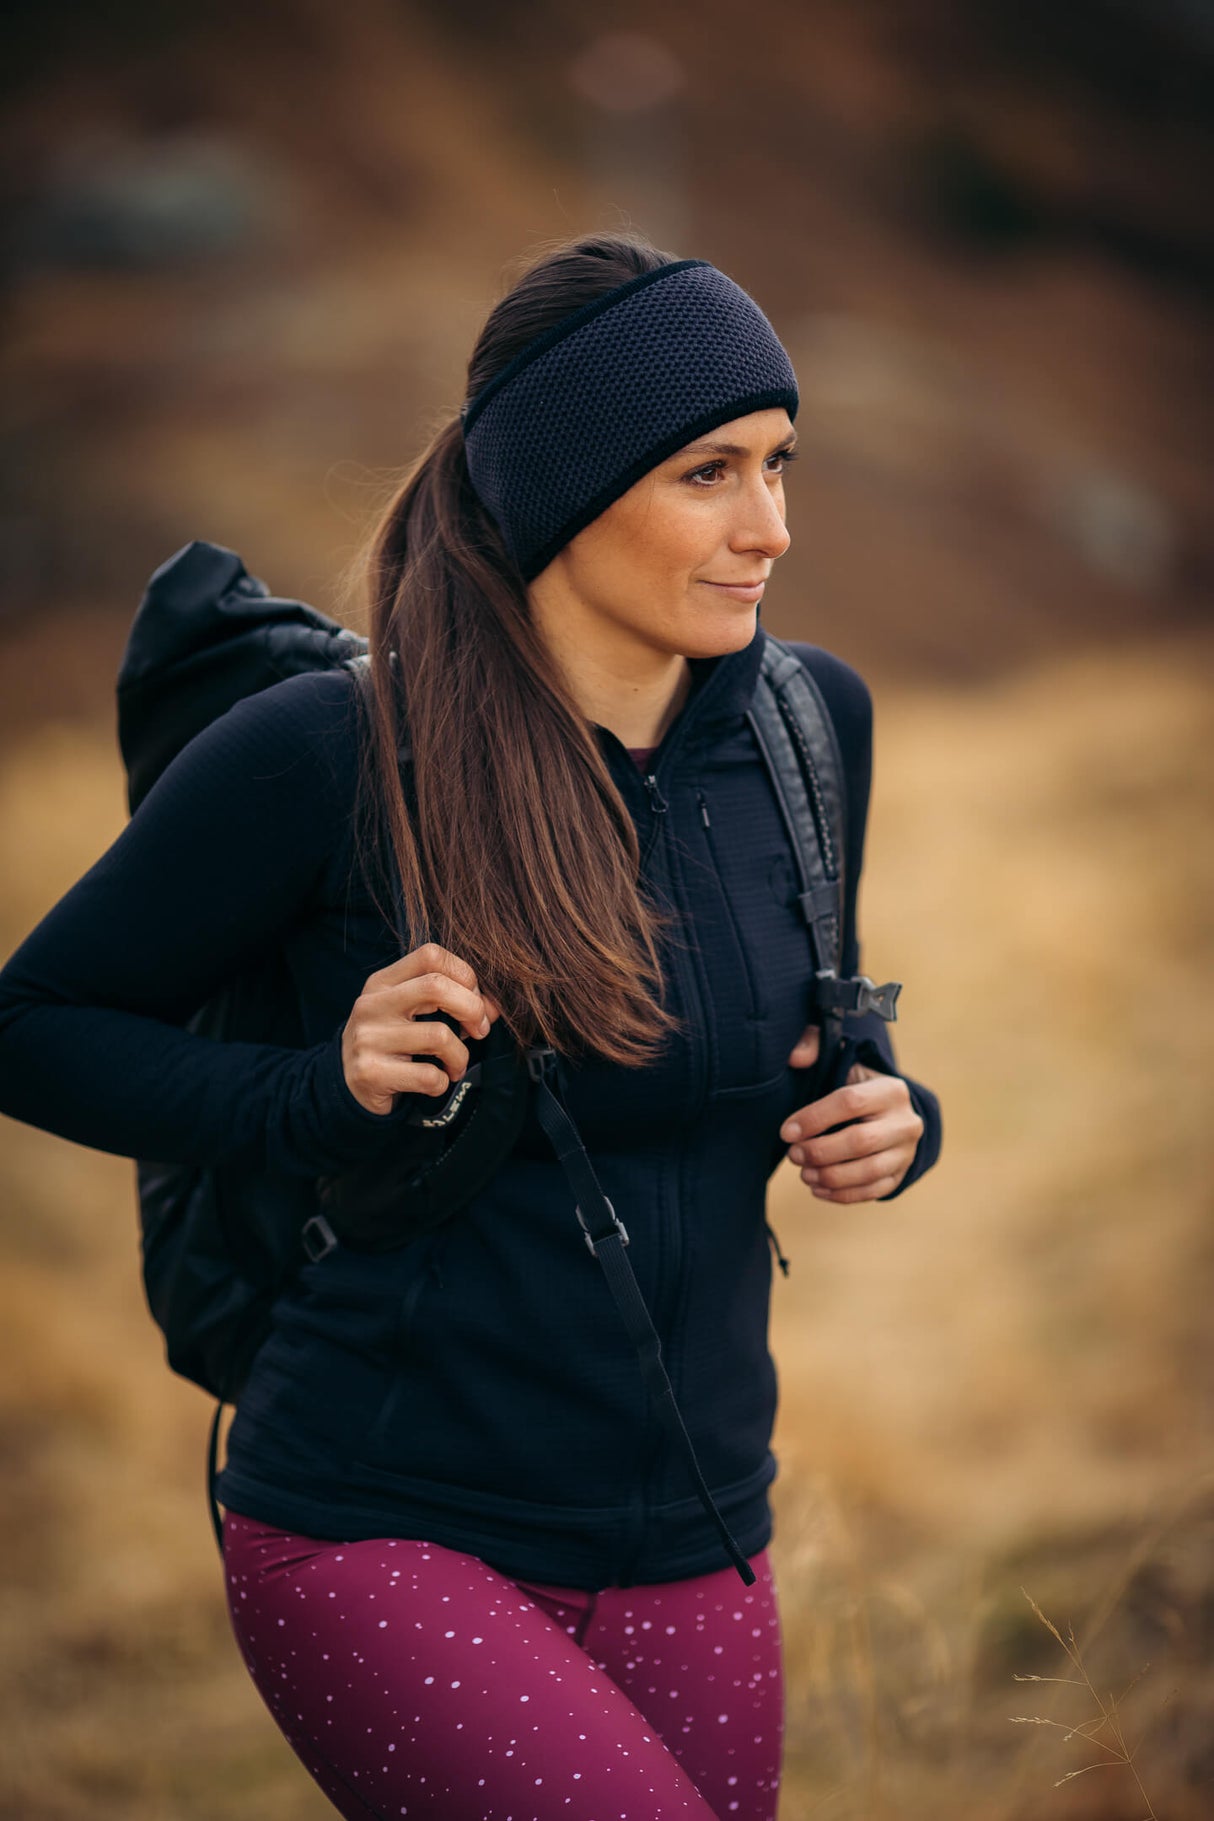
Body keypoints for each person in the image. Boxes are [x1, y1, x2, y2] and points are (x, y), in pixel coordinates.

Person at [0, 233, 940, 1821]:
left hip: (703, 1529)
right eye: (707, 472)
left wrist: (891, 1114)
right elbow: (36, 1022)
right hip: (385, 1522)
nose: (769, 526)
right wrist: (317, 1088)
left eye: (781, 465)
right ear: (565, 487)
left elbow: (806, 1036)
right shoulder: (329, 753)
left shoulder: (806, 728)